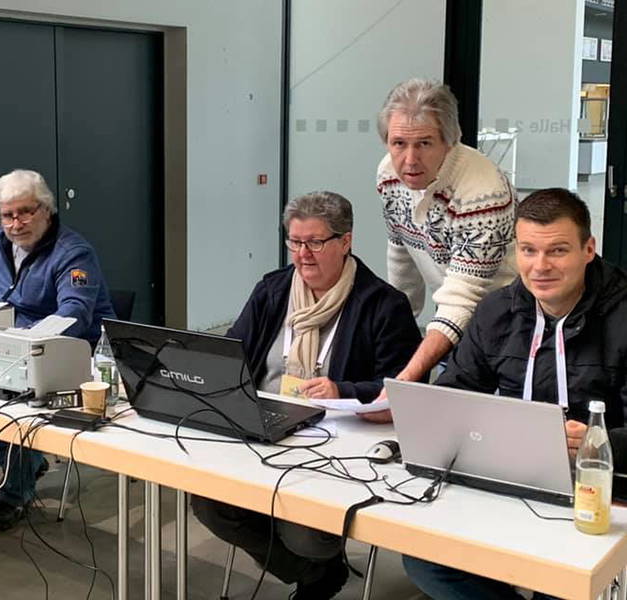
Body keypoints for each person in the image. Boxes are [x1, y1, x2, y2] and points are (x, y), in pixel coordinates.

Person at [191, 191, 422, 599]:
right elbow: (233, 351)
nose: (302, 254)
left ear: (345, 241)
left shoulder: (384, 305)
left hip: (334, 440)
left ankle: (312, 560)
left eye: (315, 242)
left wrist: (342, 390)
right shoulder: (274, 290)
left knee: (307, 536)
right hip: (263, 425)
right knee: (210, 505)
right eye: (295, 242)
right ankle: (316, 575)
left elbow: (401, 387)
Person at [402, 188, 627, 599]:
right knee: (425, 558)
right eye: (528, 250)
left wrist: (599, 444)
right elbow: (453, 396)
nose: (540, 266)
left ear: (588, 249)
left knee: (561, 582)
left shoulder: (622, 316)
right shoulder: (497, 311)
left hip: (598, 489)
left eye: (557, 251)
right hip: (508, 477)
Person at [0, 169, 116, 530]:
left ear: (46, 209)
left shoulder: (73, 252)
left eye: (26, 212)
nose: (16, 224)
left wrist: (29, 342)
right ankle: (27, 463)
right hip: (18, 346)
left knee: (8, 406)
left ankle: (16, 491)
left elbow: (74, 313)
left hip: (76, 350)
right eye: (8, 215)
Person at [374, 79, 517, 412]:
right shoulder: (388, 174)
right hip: (453, 312)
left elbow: (462, 299)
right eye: (398, 143)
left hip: (508, 321)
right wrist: (396, 336)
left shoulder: (483, 192)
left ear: (450, 141)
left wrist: (404, 379)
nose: (409, 160)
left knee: (479, 418)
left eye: (424, 143)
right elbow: (401, 254)